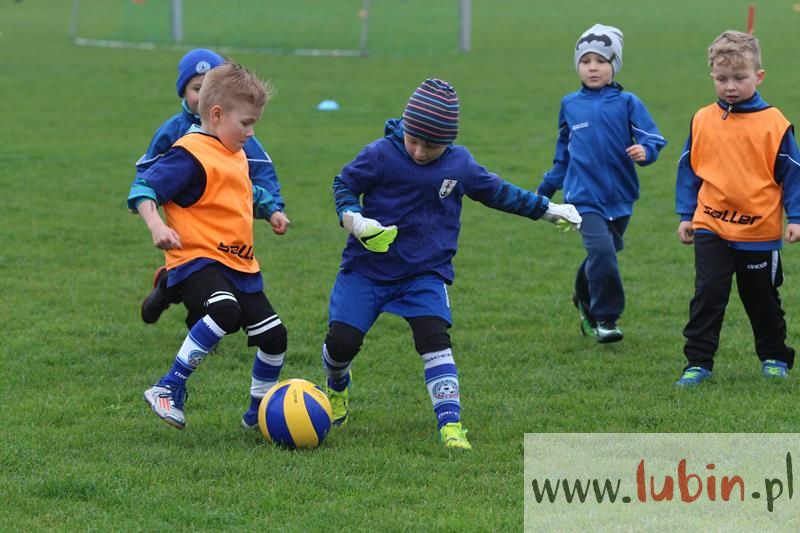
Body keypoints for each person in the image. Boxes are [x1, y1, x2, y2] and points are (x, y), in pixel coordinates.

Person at [320, 78, 582, 450]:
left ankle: (451, 425)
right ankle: (337, 385)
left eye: (431, 146)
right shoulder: (379, 154)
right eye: (414, 140)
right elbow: (343, 184)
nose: (419, 152)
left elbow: (498, 192)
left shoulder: (459, 164)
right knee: (342, 343)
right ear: (406, 126)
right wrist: (354, 219)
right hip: (366, 270)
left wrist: (546, 209)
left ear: (448, 141)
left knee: (434, 339)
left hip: (424, 273)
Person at [128, 62, 291, 429]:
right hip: (196, 258)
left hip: (237, 262)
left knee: (274, 336)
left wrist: (271, 210)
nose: (251, 132)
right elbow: (144, 189)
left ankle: (257, 415)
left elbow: (244, 190)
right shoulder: (189, 154)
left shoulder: (233, 152)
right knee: (225, 312)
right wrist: (157, 226)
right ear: (217, 115)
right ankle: (168, 387)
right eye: (246, 123)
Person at [674, 30, 800, 386]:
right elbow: (688, 169)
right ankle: (698, 363)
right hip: (710, 224)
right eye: (722, 78)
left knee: (761, 298)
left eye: (740, 78)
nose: (730, 86)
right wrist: (686, 214)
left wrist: (796, 217)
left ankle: (774, 356)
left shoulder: (774, 123)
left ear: (759, 76)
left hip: (758, 230)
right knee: (708, 294)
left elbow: (793, 173)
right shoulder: (702, 119)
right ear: (712, 76)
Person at [136, 48, 287, 325]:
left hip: (222, 227)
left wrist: (273, 207)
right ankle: (185, 311)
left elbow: (259, 171)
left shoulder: (237, 130)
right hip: (188, 224)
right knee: (203, 280)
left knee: (214, 279)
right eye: (197, 88)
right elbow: (149, 172)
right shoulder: (173, 131)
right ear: (183, 91)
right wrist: (147, 199)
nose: (204, 93)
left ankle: (173, 294)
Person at [536, 23, 667, 343]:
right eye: (585, 61)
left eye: (601, 60)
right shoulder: (570, 104)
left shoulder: (628, 102)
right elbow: (563, 153)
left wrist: (645, 151)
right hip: (583, 197)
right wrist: (546, 190)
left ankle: (582, 297)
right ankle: (606, 318)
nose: (592, 67)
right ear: (577, 65)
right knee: (603, 253)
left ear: (614, 65)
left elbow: (652, 137)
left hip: (621, 195)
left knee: (605, 253)